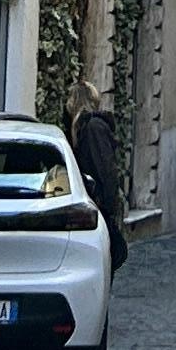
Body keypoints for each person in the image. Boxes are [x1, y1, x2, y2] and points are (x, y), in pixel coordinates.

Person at [70, 81, 129, 270]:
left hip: (100, 205)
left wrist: (108, 206)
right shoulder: (84, 128)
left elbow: (106, 169)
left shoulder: (93, 128)